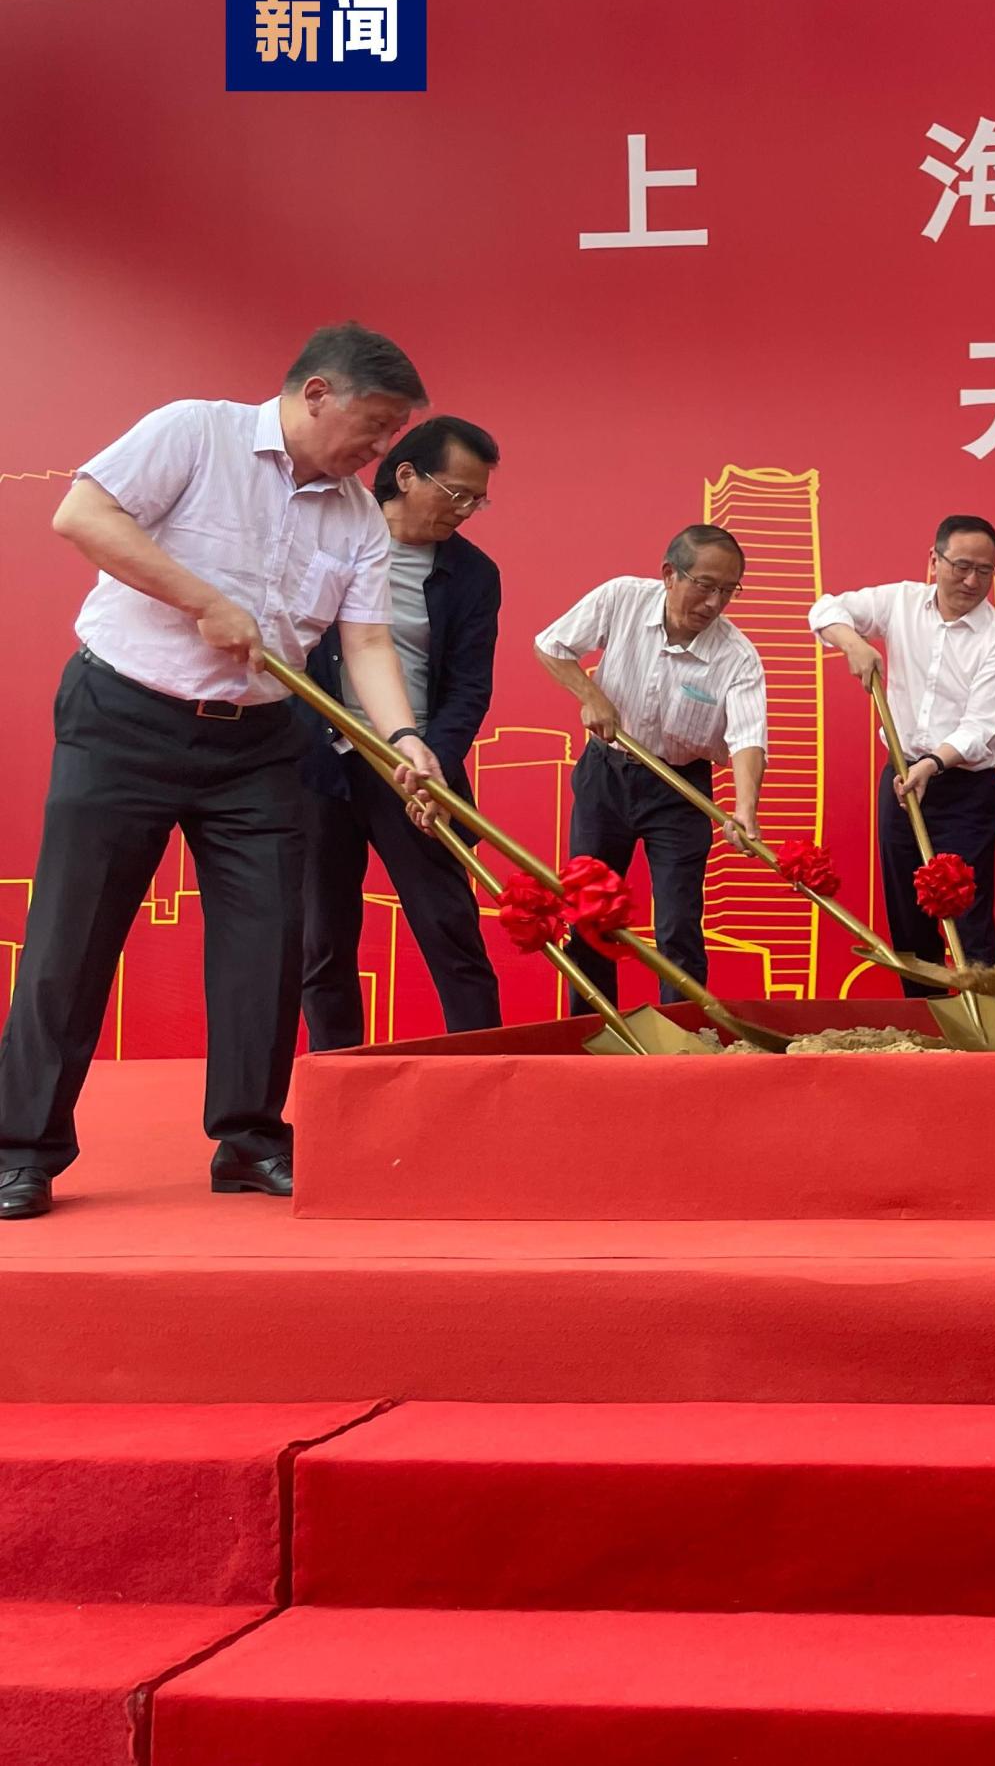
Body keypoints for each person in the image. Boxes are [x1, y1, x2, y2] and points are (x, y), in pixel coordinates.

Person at [0, 324, 438, 1220]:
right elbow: (82, 516)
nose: (382, 446)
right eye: (377, 423)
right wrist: (202, 599)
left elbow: (364, 642)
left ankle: (249, 1137)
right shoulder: (195, 431)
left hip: (260, 742)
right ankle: (22, 1147)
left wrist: (402, 736)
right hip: (124, 716)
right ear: (317, 393)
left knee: (269, 939)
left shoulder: (357, 517)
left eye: (395, 430)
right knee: (72, 939)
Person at [298, 416, 504, 1050]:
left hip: (414, 772)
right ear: (407, 475)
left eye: (477, 500)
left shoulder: (473, 574)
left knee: (451, 929)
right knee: (322, 940)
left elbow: (468, 688)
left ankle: (483, 1071)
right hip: (319, 767)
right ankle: (339, 1076)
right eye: (456, 493)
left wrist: (433, 763)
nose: (465, 511)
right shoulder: (328, 534)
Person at [533, 525, 767, 1012]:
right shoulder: (622, 598)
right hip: (606, 776)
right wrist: (592, 695)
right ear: (669, 574)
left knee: (678, 924)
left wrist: (745, 808)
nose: (715, 603)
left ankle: (683, 1033)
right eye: (705, 585)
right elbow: (551, 645)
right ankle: (595, 1029)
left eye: (729, 591)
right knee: (589, 912)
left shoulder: (737, 656)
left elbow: (747, 736)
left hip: (680, 789)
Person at [811, 515, 995, 991]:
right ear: (934, 560)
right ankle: (925, 1018)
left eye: (985, 571)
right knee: (908, 915)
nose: (971, 581)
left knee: (966, 912)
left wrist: (932, 764)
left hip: (963, 789)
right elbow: (825, 609)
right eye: (961, 566)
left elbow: (979, 727)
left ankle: (985, 1014)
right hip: (901, 778)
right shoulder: (901, 602)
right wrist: (853, 643)